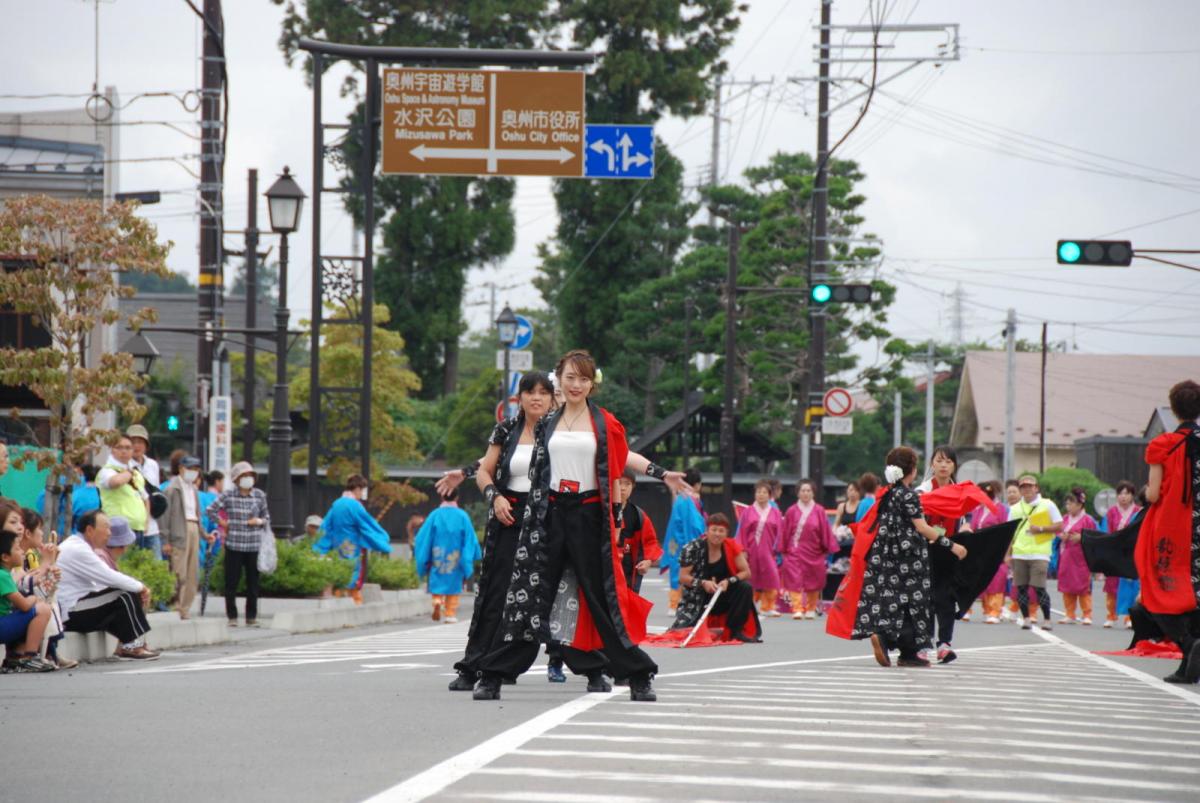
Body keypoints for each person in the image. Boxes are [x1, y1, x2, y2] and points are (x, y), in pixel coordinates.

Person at [473, 350, 690, 703]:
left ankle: (637, 675)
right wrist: (469, 474)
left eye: (584, 379)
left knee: (601, 597)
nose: (576, 385)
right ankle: (494, 674)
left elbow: (624, 458)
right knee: (532, 594)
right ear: (559, 379)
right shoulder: (547, 423)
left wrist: (662, 473)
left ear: (592, 384)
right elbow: (498, 460)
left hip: (588, 515)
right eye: (570, 378)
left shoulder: (604, 422)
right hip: (548, 515)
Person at [438, 370, 555, 690]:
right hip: (508, 514)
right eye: (529, 392)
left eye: (543, 392)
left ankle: (588, 665)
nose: (536, 398)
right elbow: (485, 470)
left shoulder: (560, 432)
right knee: (495, 591)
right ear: (520, 398)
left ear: (552, 398)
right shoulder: (506, 429)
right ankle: (473, 665)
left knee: (541, 595)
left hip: (546, 518)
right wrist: (495, 496)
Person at [852, 447, 967, 668]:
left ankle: (887, 639)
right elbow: (922, 527)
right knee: (915, 606)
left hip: (886, 556)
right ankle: (908, 652)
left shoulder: (887, 494)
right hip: (910, 558)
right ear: (912, 470)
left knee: (893, 603)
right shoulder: (911, 495)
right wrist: (952, 545)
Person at [1138, 379, 1200, 684]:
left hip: (1173, 528)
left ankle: (1187, 644)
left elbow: (1152, 495)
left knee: (1159, 590)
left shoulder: (1163, 445)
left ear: (1174, 409)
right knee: (1196, 592)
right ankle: (1190, 664)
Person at [57, 511, 158, 660]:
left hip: (79, 607)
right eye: (106, 527)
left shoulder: (81, 546)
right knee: (124, 593)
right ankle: (131, 645)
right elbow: (109, 577)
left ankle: (130, 644)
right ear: (90, 530)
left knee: (124, 593)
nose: (109, 533)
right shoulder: (78, 549)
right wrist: (141, 587)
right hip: (71, 612)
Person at [916, 445, 974, 663]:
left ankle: (944, 644)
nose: (943, 465)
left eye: (948, 461)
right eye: (939, 461)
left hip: (950, 551)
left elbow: (965, 520)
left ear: (954, 466)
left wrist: (966, 528)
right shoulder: (922, 491)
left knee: (946, 598)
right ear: (932, 464)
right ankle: (923, 644)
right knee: (925, 599)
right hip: (924, 551)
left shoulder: (960, 493)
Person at [671, 513, 759, 642]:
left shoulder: (731, 546)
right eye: (714, 530)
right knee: (684, 633)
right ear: (707, 531)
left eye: (721, 531)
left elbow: (746, 572)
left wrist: (729, 581)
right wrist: (703, 583)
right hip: (699, 597)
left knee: (745, 587)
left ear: (726, 533)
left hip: (722, 594)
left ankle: (735, 631)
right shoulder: (692, 548)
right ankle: (708, 627)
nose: (717, 534)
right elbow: (682, 577)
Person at [205, 461, 269, 627]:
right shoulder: (228, 495)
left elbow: (267, 518)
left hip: (254, 545)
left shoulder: (259, 495)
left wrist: (258, 521)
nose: (248, 478)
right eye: (244, 476)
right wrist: (223, 523)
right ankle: (232, 616)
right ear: (236, 479)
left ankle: (251, 616)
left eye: (250, 475)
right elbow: (210, 510)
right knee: (231, 582)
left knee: (253, 583)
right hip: (234, 544)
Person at [312, 475, 392, 605]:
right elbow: (367, 523)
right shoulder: (355, 505)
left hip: (337, 544)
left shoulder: (337, 503)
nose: (363, 494)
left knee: (339, 569)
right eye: (363, 490)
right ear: (358, 488)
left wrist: (320, 544)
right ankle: (353, 599)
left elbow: (326, 525)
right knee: (354, 570)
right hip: (353, 543)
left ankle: (339, 595)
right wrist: (382, 537)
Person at [413, 488, 480, 624]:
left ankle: (437, 600)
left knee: (437, 579)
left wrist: (425, 555)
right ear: (457, 497)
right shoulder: (462, 516)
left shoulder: (435, 515)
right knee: (454, 584)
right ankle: (450, 613)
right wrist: (468, 556)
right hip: (456, 556)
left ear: (442, 497)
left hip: (437, 554)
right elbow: (470, 538)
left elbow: (423, 537)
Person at [1007, 474, 1064, 631]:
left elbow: (1060, 525)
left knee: (1039, 588)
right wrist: (1007, 554)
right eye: (1023, 487)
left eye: (1030, 486)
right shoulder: (1015, 508)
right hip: (1019, 553)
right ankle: (1026, 619)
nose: (1027, 489)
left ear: (1036, 488)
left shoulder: (1047, 504)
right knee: (1021, 588)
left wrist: (1041, 529)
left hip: (1040, 553)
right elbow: (1009, 533)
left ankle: (1047, 619)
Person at [161, 455, 214, 620]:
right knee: (179, 571)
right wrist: (165, 540)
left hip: (193, 528)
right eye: (190, 468)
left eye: (196, 469)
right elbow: (165, 516)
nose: (193, 472)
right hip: (179, 531)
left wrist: (205, 535)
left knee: (192, 572)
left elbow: (198, 515)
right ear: (181, 469)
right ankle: (175, 606)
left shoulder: (194, 489)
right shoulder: (172, 488)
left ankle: (185, 607)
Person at [781, 478, 839, 620]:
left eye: (808, 490)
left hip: (814, 551)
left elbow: (825, 530)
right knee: (794, 579)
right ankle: (797, 608)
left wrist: (826, 548)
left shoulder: (819, 510)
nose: (806, 493)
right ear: (798, 493)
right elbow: (785, 531)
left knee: (814, 580)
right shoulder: (791, 511)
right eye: (803, 490)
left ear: (813, 493)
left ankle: (811, 608)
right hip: (795, 550)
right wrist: (784, 548)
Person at [0, 529, 58, 672]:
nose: (22, 552)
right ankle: (29, 658)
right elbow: (25, 605)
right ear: (5, 557)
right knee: (42, 609)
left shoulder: (5, 574)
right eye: (17, 548)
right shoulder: (3, 576)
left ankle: (15, 657)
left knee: (29, 611)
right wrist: (34, 599)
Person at [736, 479, 784, 618]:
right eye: (758, 492)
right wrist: (742, 550)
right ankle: (749, 605)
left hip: (769, 550)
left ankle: (768, 606)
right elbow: (742, 532)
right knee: (750, 578)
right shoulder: (748, 512)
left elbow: (780, 533)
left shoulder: (775, 512)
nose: (761, 494)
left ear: (769, 495)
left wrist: (778, 549)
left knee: (771, 577)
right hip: (751, 550)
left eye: (764, 492)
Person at [661, 467, 705, 615]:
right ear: (697, 484)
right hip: (688, 539)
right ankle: (680, 603)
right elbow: (695, 525)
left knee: (676, 569)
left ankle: (674, 603)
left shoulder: (681, 498)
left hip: (674, 540)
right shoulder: (692, 499)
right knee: (689, 570)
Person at [97, 435, 152, 548]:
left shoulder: (136, 473)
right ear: (112, 450)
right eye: (119, 447)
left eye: (128, 448)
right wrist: (129, 472)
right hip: (117, 529)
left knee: (136, 559)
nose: (124, 451)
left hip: (138, 528)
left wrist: (146, 522)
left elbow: (145, 499)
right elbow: (116, 482)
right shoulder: (107, 470)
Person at [613, 474, 661, 594]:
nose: (623, 488)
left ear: (633, 487)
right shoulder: (601, 510)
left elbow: (651, 541)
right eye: (619, 483)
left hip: (627, 574)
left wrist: (648, 561)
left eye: (627, 484)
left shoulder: (638, 515)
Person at [1056, 487, 1097, 625]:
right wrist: (1061, 536)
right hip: (1066, 556)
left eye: (1071, 503)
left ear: (1080, 505)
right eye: (1067, 503)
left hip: (1081, 558)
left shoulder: (1088, 520)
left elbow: (1095, 536)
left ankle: (1087, 614)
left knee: (1083, 586)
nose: (1068, 506)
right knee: (1067, 585)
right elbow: (1058, 531)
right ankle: (1070, 613)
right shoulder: (1064, 519)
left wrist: (1082, 537)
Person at [1103, 480, 1141, 628]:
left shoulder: (1138, 511)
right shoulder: (1111, 512)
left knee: (1131, 586)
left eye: (1127, 493)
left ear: (1132, 495)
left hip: (1131, 553)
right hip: (1115, 552)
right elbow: (1106, 531)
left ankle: (1129, 617)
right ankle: (1111, 615)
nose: (1123, 496)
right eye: (1120, 493)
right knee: (1112, 585)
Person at [972, 481, 1010, 624]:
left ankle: (995, 610)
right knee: (983, 581)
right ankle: (987, 610)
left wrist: (1006, 552)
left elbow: (1007, 531)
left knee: (996, 580)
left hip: (996, 548)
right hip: (980, 550)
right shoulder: (978, 510)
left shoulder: (1001, 509)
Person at [127, 424, 163, 558]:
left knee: (156, 564)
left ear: (146, 445)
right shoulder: (124, 466)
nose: (137, 446)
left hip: (152, 527)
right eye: (133, 442)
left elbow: (156, 493)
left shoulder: (153, 465)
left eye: (140, 442)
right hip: (131, 527)